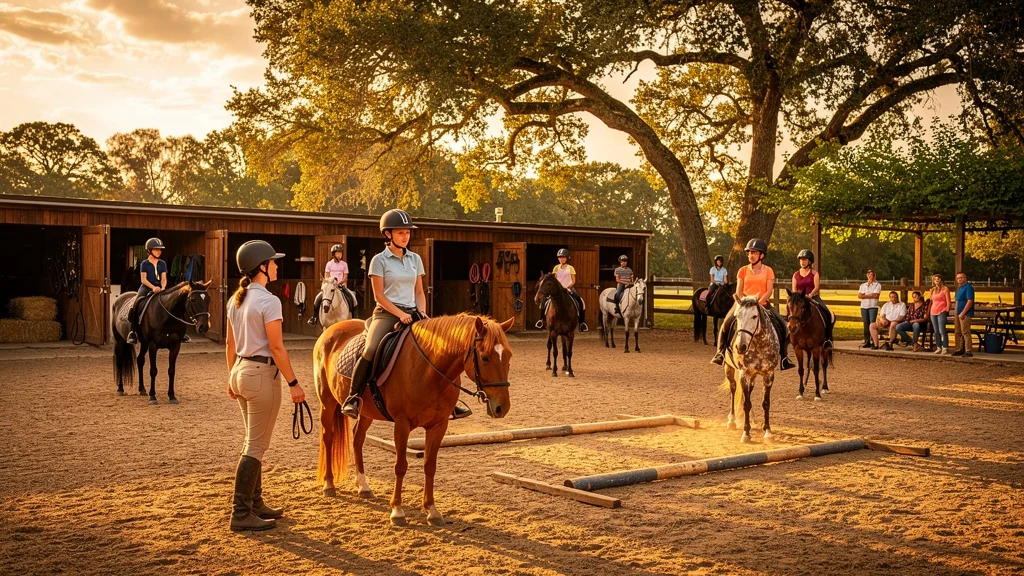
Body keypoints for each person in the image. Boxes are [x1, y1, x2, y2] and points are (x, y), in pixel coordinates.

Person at [340, 209, 471, 420]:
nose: (405, 236)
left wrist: (422, 313)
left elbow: (419, 292)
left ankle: (449, 402)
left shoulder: (415, 259)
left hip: (414, 313)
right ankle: (353, 397)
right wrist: (400, 314)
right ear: (388, 234)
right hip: (386, 313)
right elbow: (379, 295)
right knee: (371, 348)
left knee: (438, 350)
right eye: (400, 232)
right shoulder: (379, 261)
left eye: (407, 232)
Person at [224, 240, 304, 532]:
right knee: (255, 446)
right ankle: (241, 513)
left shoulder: (236, 299)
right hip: (261, 375)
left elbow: (230, 343)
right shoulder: (269, 301)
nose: (276, 265)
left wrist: (232, 376)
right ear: (262, 267)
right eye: (272, 262)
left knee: (251, 441)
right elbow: (277, 347)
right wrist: (294, 383)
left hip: (241, 370)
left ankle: (255, 503)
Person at [711, 238, 795, 370]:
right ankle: (720, 353)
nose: (751, 255)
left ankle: (784, 357)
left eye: (755, 253)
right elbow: (739, 291)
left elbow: (768, 291)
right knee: (726, 324)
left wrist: (758, 302)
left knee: (783, 326)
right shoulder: (742, 270)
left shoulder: (768, 271)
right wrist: (744, 302)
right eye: (750, 253)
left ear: (762, 255)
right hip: (744, 304)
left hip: (762, 303)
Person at [127, 237, 189, 344]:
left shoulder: (162, 263)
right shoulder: (144, 264)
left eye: (160, 250)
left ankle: (181, 332)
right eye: (156, 249)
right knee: (136, 303)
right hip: (146, 287)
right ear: (149, 251)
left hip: (160, 287)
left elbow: (164, 279)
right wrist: (153, 288)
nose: (159, 251)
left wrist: (163, 287)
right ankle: (133, 332)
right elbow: (143, 279)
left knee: (176, 302)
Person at [535, 248, 589, 332]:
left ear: (567, 258)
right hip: (557, 290)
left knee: (580, 300)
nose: (561, 259)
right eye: (560, 257)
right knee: (544, 301)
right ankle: (541, 320)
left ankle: (582, 323)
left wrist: (569, 287)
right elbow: (553, 279)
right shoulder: (556, 268)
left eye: (563, 257)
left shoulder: (570, 268)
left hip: (568, 287)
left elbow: (573, 280)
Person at [790, 249, 834, 349]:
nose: (802, 261)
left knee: (828, 313)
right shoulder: (795, 275)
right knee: (791, 313)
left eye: (805, 260)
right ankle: (789, 334)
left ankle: (827, 338)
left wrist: (810, 295)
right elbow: (794, 289)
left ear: (810, 261)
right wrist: (798, 296)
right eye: (801, 260)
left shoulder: (814, 274)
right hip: (799, 299)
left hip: (813, 296)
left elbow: (817, 287)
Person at [307, 244, 357, 325]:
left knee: (353, 298)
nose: (339, 255)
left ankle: (354, 318)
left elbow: (345, 278)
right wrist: (331, 283)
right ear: (333, 254)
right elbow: (327, 276)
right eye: (337, 253)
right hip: (330, 286)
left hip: (341, 286)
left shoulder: (344, 264)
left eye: (340, 253)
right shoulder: (329, 264)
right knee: (317, 299)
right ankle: (314, 317)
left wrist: (339, 283)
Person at [951, 272, 976, 357]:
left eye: (961, 278)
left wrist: (963, 312)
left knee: (965, 332)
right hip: (957, 312)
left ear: (965, 278)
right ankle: (960, 348)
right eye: (958, 278)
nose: (959, 279)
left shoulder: (968, 287)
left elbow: (970, 301)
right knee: (958, 331)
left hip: (965, 313)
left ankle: (968, 350)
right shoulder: (959, 288)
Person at [857, 269, 882, 349]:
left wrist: (864, 295)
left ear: (874, 276)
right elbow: (859, 295)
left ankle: (873, 341)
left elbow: (876, 295)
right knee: (865, 324)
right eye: (869, 275)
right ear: (867, 275)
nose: (871, 276)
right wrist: (869, 295)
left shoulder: (877, 285)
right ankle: (867, 340)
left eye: (872, 275)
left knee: (872, 324)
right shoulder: (863, 285)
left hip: (873, 306)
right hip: (864, 306)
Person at [929, 274, 951, 354]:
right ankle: (938, 346)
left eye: (938, 279)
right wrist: (930, 293)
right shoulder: (933, 290)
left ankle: (944, 346)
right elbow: (931, 300)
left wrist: (946, 310)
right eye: (935, 279)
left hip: (942, 310)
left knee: (942, 329)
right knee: (936, 330)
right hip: (933, 311)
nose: (936, 280)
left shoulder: (945, 289)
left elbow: (948, 301)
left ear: (941, 280)